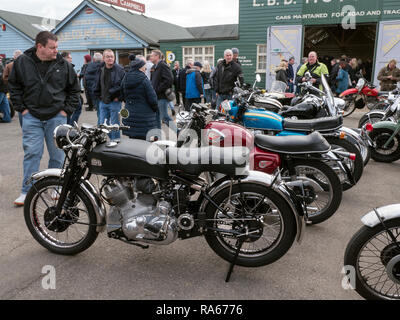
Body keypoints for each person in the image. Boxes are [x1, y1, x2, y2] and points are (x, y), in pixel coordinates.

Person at [9, 31, 80, 206]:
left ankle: (56, 187)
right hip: (31, 116)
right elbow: (14, 86)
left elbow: (74, 90)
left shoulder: (63, 65)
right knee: (32, 153)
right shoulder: (22, 62)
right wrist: (22, 109)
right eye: (52, 47)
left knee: (57, 154)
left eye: (56, 46)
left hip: (56, 116)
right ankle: (28, 191)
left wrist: (65, 111)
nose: (56, 50)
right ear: (39, 47)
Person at [122, 57, 159, 141]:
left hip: (130, 113)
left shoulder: (125, 78)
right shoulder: (144, 79)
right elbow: (152, 98)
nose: (145, 68)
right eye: (144, 66)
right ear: (140, 67)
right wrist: (155, 109)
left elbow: (122, 94)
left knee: (133, 140)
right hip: (145, 115)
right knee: (145, 140)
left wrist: (129, 103)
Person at [94, 49, 125, 141]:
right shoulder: (100, 69)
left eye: (112, 56)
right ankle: (114, 140)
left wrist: (119, 97)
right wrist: (98, 96)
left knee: (115, 125)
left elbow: (123, 86)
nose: (110, 58)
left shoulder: (120, 70)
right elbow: (97, 83)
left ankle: (116, 143)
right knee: (102, 125)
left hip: (114, 102)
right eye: (108, 57)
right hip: (102, 101)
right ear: (103, 58)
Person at [150, 49, 176, 135]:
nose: (150, 57)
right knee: (156, 117)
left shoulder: (162, 65)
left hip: (162, 96)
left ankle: (178, 132)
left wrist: (157, 89)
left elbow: (169, 79)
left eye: (152, 55)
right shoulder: (155, 67)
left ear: (157, 56)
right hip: (156, 96)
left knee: (164, 117)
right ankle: (158, 135)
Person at [61, 51, 82, 126]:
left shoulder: (69, 67)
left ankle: (69, 125)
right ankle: (70, 126)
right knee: (74, 110)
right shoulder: (64, 68)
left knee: (75, 110)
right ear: (65, 58)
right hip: (70, 95)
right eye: (70, 58)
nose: (71, 59)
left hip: (74, 94)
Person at [84, 52, 103, 124]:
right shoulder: (104, 66)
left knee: (99, 111)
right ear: (102, 59)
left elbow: (86, 80)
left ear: (94, 59)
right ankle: (101, 126)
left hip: (94, 93)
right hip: (103, 93)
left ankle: (100, 126)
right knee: (103, 112)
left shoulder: (89, 66)